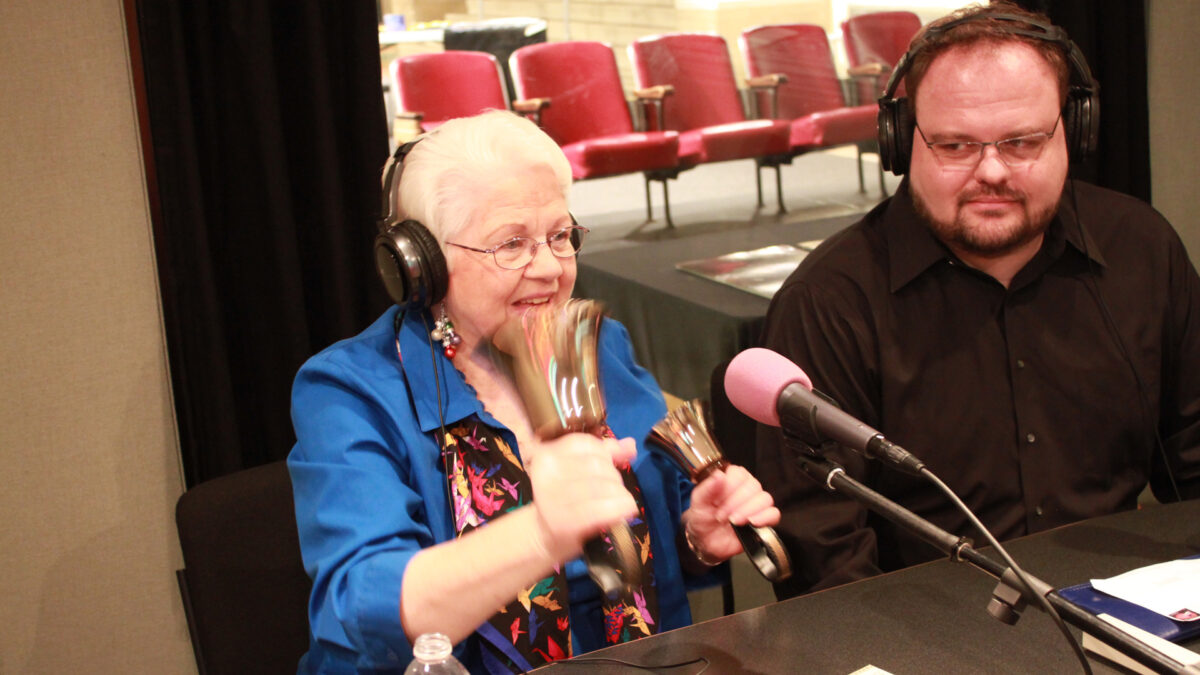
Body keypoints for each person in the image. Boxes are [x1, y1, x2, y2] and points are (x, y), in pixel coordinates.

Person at [288, 110, 780, 673]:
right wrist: (543, 533)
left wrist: (695, 536)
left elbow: (648, 562)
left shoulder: (601, 350)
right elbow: (362, 612)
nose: (549, 267)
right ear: (421, 263)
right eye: (512, 244)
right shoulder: (350, 392)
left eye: (559, 236)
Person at [757, 1, 1200, 600]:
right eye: (955, 145)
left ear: (1076, 130)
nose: (991, 171)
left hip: (1130, 621)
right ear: (900, 142)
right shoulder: (829, 303)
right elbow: (828, 565)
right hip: (926, 640)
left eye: (1021, 142)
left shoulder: (1142, 249)